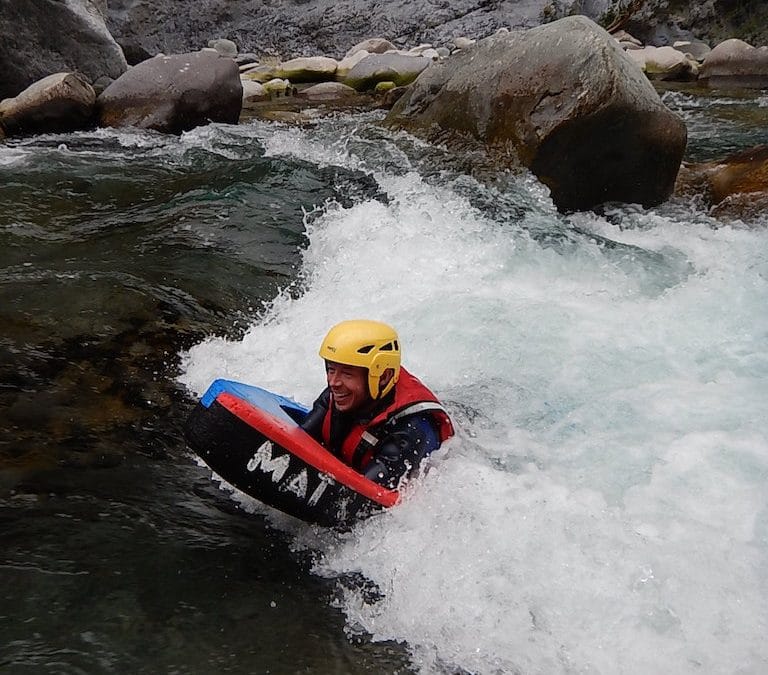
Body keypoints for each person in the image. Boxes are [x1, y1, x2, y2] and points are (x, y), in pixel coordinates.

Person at [300, 319, 454, 489]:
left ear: (383, 377)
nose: (334, 383)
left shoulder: (411, 428)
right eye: (331, 369)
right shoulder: (342, 394)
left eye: (347, 374)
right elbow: (301, 440)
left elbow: (365, 496)